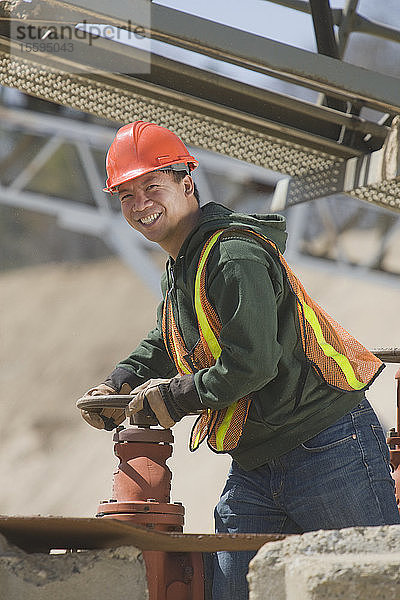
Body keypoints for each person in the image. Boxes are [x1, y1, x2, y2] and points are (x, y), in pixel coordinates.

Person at [80, 120, 400, 600]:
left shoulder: (231, 256)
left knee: (379, 583)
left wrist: (172, 399)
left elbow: (251, 366)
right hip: (256, 463)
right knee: (233, 591)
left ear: (186, 183)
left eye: (152, 186)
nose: (140, 203)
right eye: (126, 195)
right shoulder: (185, 261)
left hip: (326, 448)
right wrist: (120, 382)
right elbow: (172, 338)